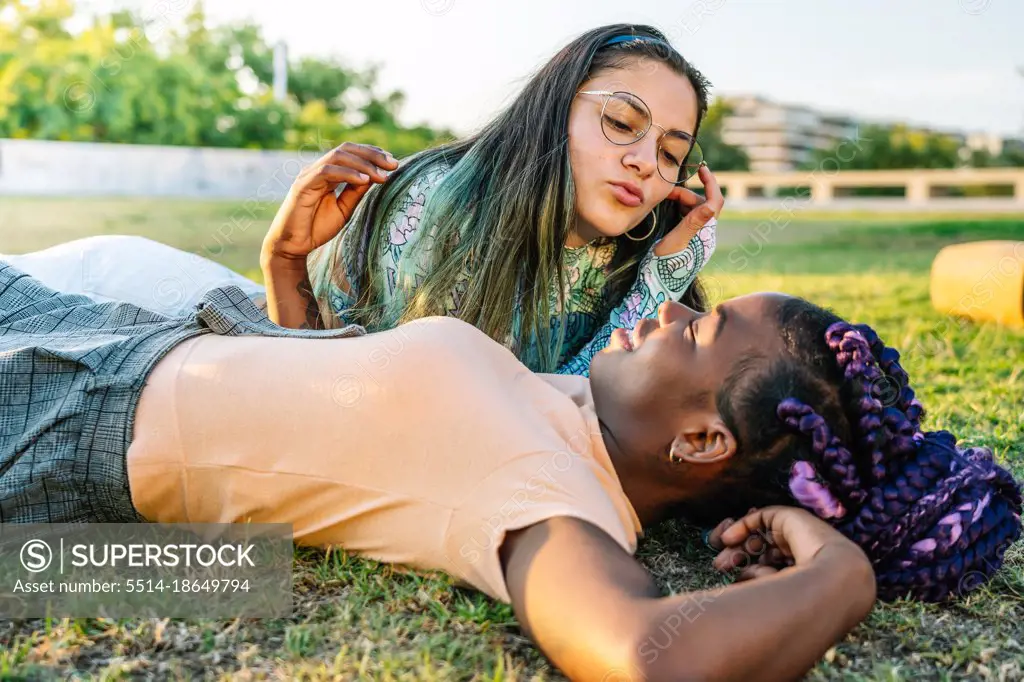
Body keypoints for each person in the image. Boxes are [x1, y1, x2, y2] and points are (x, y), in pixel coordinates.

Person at [1, 260, 1019, 681]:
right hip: (100, 337)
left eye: (695, 326)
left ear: (703, 441)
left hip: (56, 421)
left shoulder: (549, 489)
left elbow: (644, 653)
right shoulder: (568, 408)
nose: (670, 308)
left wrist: (845, 576)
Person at [5, 24, 722, 377]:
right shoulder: (445, 205)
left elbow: (585, 408)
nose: (644, 162)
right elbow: (530, 411)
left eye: (670, 151)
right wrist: (284, 261)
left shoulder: (633, 253)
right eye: (623, 122)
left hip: (248, 348)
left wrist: (662, 274)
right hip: (164, 305)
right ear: (554, 108)